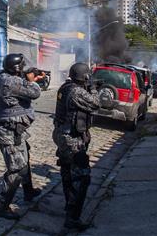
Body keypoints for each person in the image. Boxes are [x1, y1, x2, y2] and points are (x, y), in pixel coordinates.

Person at [0, 53, 44, 219]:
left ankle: (28, 191)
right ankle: (2, 206)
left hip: (12, 129)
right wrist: (32, 80)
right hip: (8, 130)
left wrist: (25, 77)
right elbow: (34, 93)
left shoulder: (0, 77)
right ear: (17, 68)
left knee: (24, 158)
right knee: (17, 167)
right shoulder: (11, 81)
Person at [52, 62, 101, 231]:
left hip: (61, 134)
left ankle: (69, 205)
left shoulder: (65, 87)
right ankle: (73, 218)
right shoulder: (77, 91)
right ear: (85, 76)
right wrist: (93, 88)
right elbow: (96, 103)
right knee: (82, 177)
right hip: (72, 138)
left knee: (66, 170)